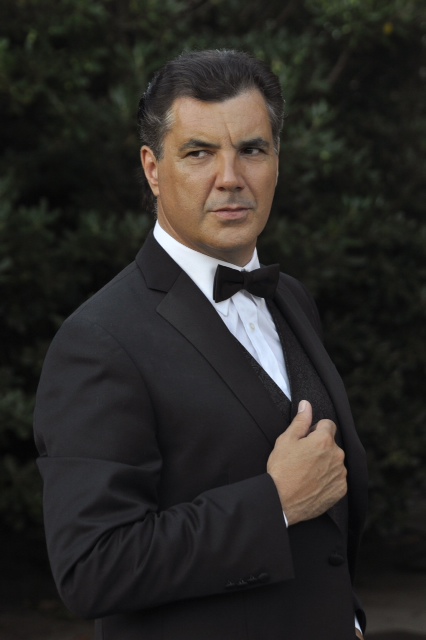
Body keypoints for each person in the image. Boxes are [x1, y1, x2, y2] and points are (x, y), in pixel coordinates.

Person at [34, 49, 368, 640]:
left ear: (277, 160)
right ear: (153, 168)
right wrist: (274, 503)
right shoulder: (98, 342)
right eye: (199, 153)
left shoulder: (291, 298)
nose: (230, 177)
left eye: (252, 149)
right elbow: (92, 567)